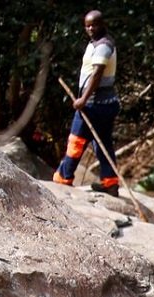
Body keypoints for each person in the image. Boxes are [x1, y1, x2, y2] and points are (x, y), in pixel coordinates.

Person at [52, 9, 121, 197]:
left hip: (95, 104)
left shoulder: (104, 45)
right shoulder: (95, 44)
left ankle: (64, 177)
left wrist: (83, 99)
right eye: (87, 25)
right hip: (102, 104)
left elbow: (97, 73)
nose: (90, 28)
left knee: (76, 140)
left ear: (102, 24)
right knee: (103, 143)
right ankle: (110, 182)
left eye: (94, 24)